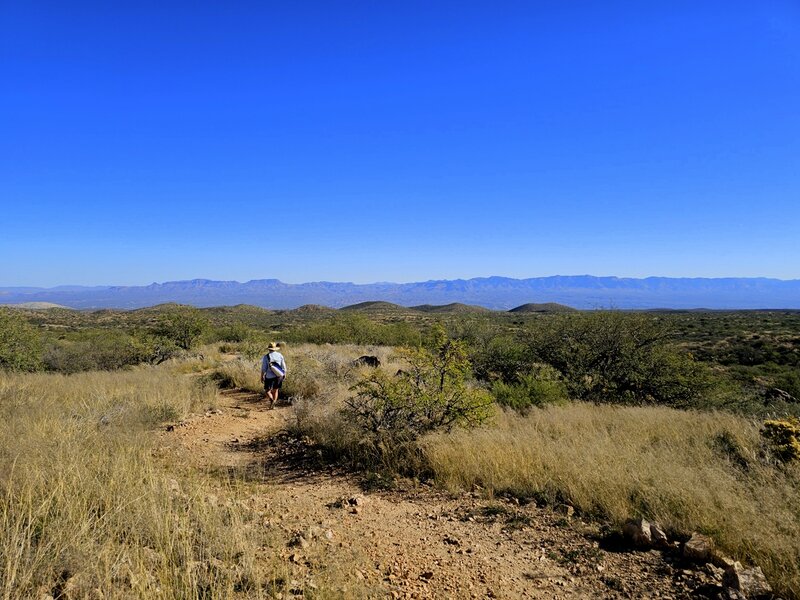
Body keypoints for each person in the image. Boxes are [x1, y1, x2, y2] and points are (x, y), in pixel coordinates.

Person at [261, 342, 287, 409]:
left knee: (267, 390)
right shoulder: (280, 355)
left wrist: (262, 376)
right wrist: (284, 374)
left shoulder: (266, 357)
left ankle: (272, 400)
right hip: (279, 376)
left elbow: (264, 368)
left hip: (269, 376)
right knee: (276, 390)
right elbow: (283, 366)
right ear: (275, 349)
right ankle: (273, 404)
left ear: (269, 349)